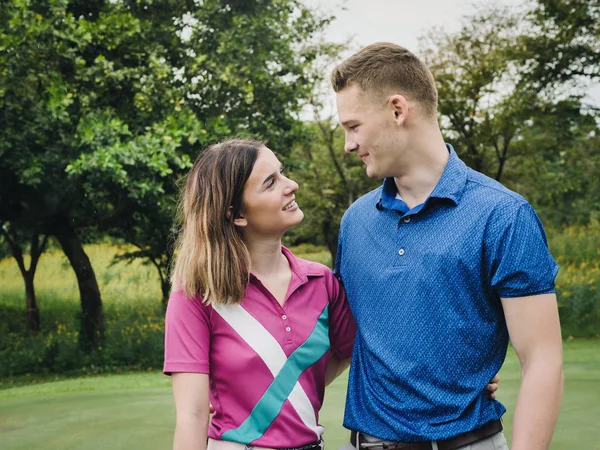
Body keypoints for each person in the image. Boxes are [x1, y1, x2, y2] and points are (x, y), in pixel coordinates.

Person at [162, 138, 499, 450]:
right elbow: (191, 415)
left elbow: (369, 350)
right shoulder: (195, 292)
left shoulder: (320, 281)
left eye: (282, 174)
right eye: (271, 182)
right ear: (235, 214)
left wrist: (458, 371)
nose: (291, 185)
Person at [331, 42, 563, 450]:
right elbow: (344, 338)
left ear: (398, 110)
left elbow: (542, 360)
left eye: (353, 126)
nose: (348, 144)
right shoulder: (356, 221)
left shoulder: (503, 215)